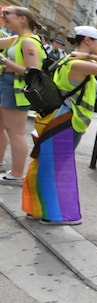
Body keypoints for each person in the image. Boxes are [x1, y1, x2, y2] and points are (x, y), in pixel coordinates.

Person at [21, 26, 97, 225]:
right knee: (55, 168)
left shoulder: (68, 59)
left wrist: (90, 56)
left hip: (55, 118)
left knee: (45, 164)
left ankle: (36, 209)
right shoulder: (79, 64)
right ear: (87, 40)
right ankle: (53, 215)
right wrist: (95, 57)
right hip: (66, 122)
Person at [0, 6, 45, 185]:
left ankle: (17, 174)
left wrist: (4, 61)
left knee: (16, 133)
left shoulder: (28, 42)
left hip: (16, 88)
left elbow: (32, 71)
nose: (4, 17)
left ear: (22, 19)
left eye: (7, 14)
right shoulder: (18, 39)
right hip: (7, 84)